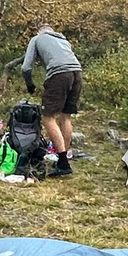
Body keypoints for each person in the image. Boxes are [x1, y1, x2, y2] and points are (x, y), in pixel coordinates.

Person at [16, 22, 82, 177]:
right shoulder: (64, 40)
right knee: (66, 117)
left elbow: (26, 68)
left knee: (47, 118)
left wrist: (30, 85)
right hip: (77, 72)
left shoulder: (37, 39)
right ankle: (62, 159)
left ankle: (64, 164)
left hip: (59, 75)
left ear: (40, 31)